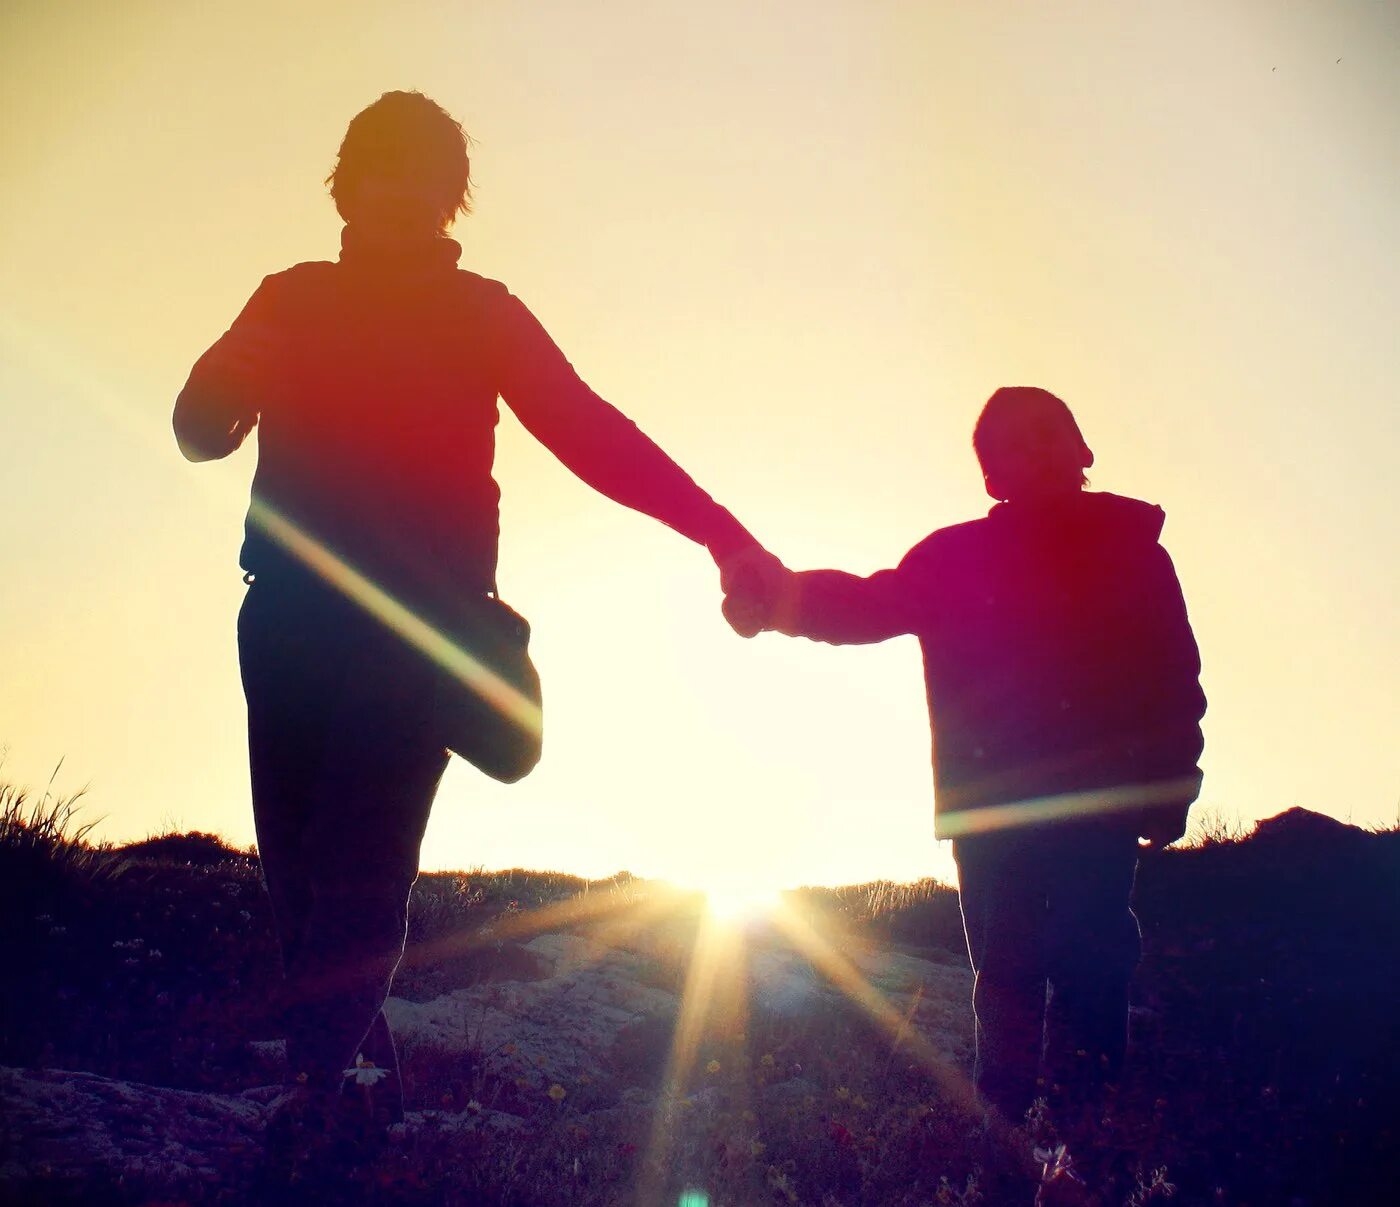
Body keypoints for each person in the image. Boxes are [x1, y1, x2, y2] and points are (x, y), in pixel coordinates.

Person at [173, 91, 773, 1129]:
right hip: (286, 624)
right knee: (303, 883)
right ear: (346, 182)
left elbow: (592, 432)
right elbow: (198, 430)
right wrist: (216, 387)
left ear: (449, 196)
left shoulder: (482, 312)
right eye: (377, 167)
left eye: (418, 173)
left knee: (360, 865)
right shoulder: (289, 296)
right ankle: (359, 1096)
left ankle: (320, 1088)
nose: (395, 190)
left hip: (421, 634)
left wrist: (722, 531)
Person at [724, 386, 1205, 1142]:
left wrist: (1173, 786)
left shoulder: (1133, 551)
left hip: (1093, 809)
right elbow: (865, 605)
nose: (1039, 452)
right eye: (1014, 444)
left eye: (1050, 434)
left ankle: (1083, 1151)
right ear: (991, 477)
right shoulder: (953, 558)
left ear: (1082, 449)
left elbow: (1174, 677)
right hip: (993, 813)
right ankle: (1009, 1148)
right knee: (1009, 978)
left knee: (1090, 968)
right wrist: (778, 597)